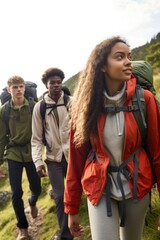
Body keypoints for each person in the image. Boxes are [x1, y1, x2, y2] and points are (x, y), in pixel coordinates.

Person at [64, 36, 160, 240]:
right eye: (120, 57)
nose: (128, 62)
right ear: (102, 66)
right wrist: (71, 207)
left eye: (129, 56)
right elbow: (76, 158)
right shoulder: (84, 106)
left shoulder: (145, 100)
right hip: (99, 187)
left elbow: (158, 152)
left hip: (137, 184)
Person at [31, 67, 73, 240]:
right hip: (53, 159)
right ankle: (65, 235)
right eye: (52, 83)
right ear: (46, 86)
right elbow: (36, 138)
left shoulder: (71, 102)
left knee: (78, 192)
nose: (56, 86)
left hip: (73, 157)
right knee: (59, 195)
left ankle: (79, 223)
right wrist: (38, 162)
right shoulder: (39, 108)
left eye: (58, 82)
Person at [0, 76, 41, 240]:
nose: (18, 90)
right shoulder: (4, 111)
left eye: (21, 86)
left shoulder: (33, 106)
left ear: (24, 88)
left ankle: (32, 202)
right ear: (9, 90)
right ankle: (23, 229)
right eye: (15, 87)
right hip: (13, 153)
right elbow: (1, 137)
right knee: (16, 192)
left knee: (36, 188)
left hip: (32, 151)